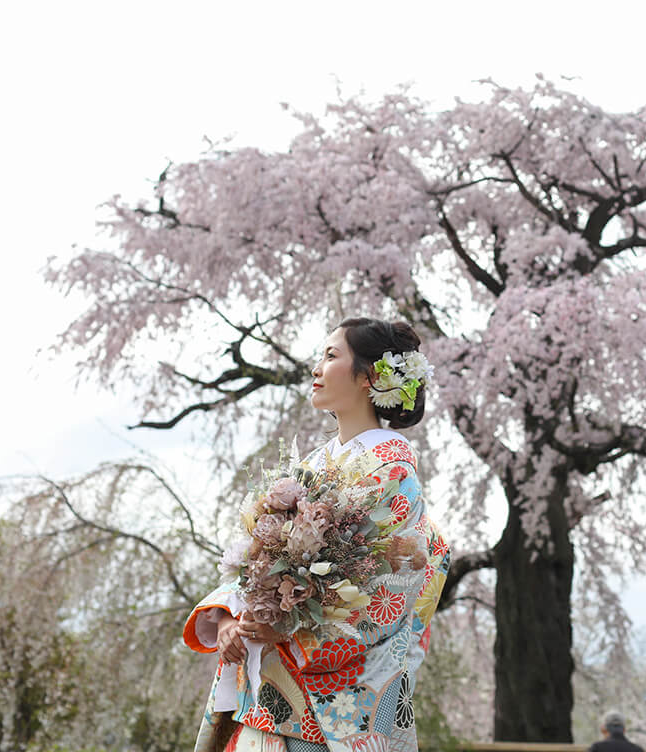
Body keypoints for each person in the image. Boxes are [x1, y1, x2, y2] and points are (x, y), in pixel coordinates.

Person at [182, 318, 450, 752]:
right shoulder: (308, 468)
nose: (316, 368)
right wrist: (234, 616)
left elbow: (388, 598)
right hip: (263, 695)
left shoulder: (394, 473)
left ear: (369, 377)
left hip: (322, 714)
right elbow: (257, 564)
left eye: (330, 356)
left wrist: (284, 626)